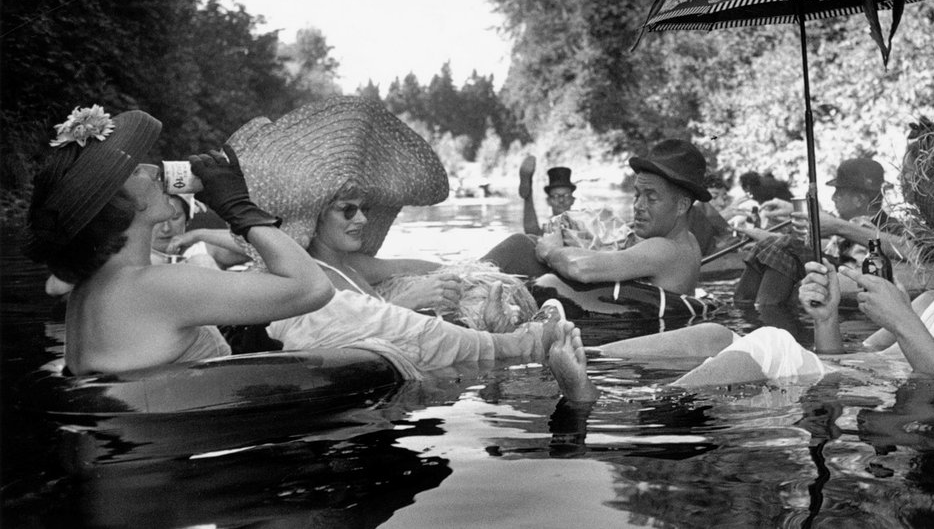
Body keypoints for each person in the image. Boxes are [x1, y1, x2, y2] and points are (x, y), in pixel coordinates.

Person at [546, 125, 934, 399]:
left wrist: (904, 323)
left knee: (770, 342)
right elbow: (842, 359)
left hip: (895, 415)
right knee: (716, 330)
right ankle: (584, 360)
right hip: (856, 389)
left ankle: (620, 401)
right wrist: (829, 314)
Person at [227, 97, 556, 378]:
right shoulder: (313, 277)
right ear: (314, 218)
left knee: (515, 252)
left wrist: (463, 274)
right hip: (371, 362)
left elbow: (407, 266)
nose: (362, 219)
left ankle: (500, 332)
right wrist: (412, 299)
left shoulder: (352, 264)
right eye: (348, 211)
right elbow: (356, 325)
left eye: (364, 209)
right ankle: (512, 341)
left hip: (409, 346)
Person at [24, 105, 334, 375]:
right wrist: (240, 209)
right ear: (115, 204)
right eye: (133, 171)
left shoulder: (87, 290)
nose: (151, 170)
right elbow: (315, 288)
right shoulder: (155, 287)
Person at [532, 138, 712, 296]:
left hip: (649, 332)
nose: (638, 206)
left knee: (522, 245)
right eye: (637, 195)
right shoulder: (690, 242)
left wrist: (550, 251)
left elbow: (580, 268)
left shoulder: (663, 249)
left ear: (682, 205)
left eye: (651, 198)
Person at [734, 157, 912, 305]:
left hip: (848, 279)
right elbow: (829, 247)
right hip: (837, 271)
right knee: (772, 245)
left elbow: (908, 250)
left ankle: (761, 318)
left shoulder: (888, 227)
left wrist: (835, 226)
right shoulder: (848, 226)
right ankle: (744, 309)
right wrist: (771, 236)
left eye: (839, 193)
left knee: (781, 249)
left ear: (859, 199)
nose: (833, 198)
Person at [518, 159, 577, 236]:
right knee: (535, 235)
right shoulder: (547, 227)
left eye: (566, 195)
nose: (561, 200)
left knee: (534, 235)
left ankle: (528, 194)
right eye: (556, 196)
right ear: (548, 201)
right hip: (550, 239)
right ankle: (528, 195)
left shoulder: (581, 221)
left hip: (574, 239)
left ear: (573, 200)